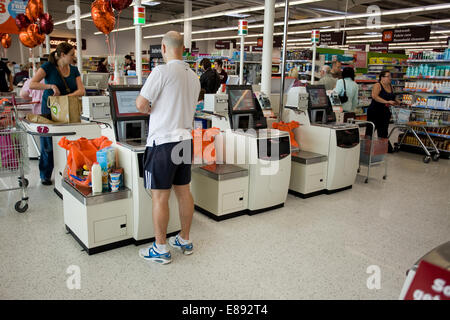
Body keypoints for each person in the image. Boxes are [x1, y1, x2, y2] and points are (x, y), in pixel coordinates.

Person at [136, 31, 200, 265]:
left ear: (163, 48)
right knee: (184, 192)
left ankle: (160, 249)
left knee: (160, 197)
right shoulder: (194, 76)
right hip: (184, 140)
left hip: (162, 143)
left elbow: (141, 104)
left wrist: (152, 110)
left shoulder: (161, 72)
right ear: (182, 48)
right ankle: (184, 239)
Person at [29, 42, 85, 185]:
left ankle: (69, 171)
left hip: (69, 108)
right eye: (71, 54)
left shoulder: (74, 70)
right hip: (50, 109)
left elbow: (81, 90)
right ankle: (45, 174)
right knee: (48, 143)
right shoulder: (48, 67)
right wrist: (50, 86)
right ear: (62, 55)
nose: (74, 57)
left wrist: (66, 98)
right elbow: (32, 84)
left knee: (70, 141)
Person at [366, 71, 400, 153]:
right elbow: (374, 96)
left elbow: (392, 97)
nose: (390, 78)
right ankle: (366, 147)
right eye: (388, 76)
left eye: (390, 76)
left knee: (383, 131)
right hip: (374, 111)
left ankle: (385, 148)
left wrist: (398, 101)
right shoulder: (378, 85)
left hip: (385, 112)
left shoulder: (390, 86)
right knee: (370, 130)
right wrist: (387, 102)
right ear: (382, 77)